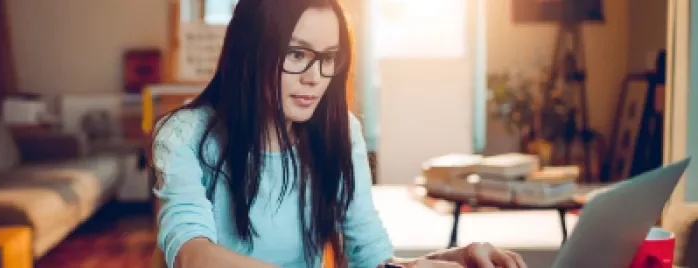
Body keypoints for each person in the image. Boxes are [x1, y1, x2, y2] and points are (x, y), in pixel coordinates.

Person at [152, 0, 528, 267]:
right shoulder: (184, 134)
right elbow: (191, 254)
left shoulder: (341, 130)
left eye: (328, 57)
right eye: (297, 54)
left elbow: (370, 254)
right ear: (251, 52)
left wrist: (448, 260)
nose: (315, 77)